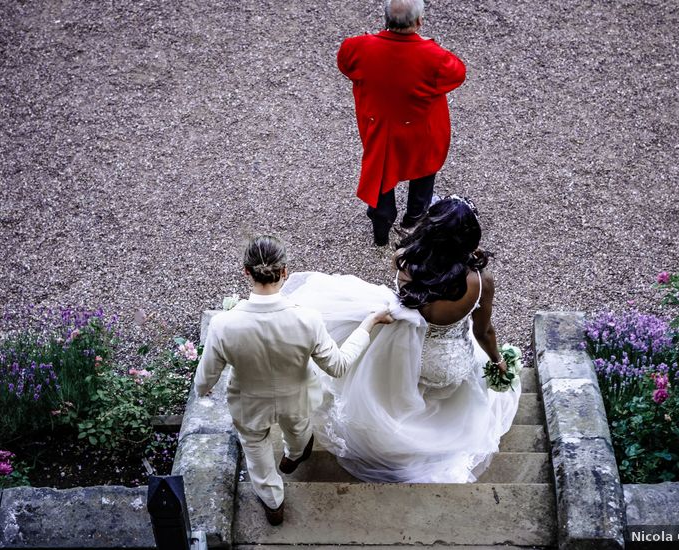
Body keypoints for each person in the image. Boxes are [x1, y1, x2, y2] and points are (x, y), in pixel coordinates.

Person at [282, 196, 519, 483]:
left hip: (405, 351)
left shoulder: (404, 260)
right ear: (468, 239)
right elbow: (484, 332)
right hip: (449, 364)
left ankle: (402, 440)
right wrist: (497, 360)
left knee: (403, 391)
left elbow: (421, 293)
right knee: (444, 395)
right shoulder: (480, 281)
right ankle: (434, 442)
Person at [193, 235, 393, 526]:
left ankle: (274, 503)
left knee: (257, 454)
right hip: (296, 398)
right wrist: (369, 323)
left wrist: (204, 387)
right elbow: (337, 366)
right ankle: (295, 454)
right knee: (299, 432)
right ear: (284, 272)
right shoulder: (307, 319)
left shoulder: (223, 324)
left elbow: (205, 379)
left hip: (249, 404)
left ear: (246, 272)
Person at [338, 0, 467, 247]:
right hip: (421, 131)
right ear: (418, 22)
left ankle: (381, 229)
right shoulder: (434, 57)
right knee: (424, 167)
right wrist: (427, 43)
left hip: (381, 129)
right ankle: (414, 219)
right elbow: (458, 72)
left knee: (381, 171)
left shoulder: (359, 47)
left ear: (386, 19)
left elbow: (345, 61)